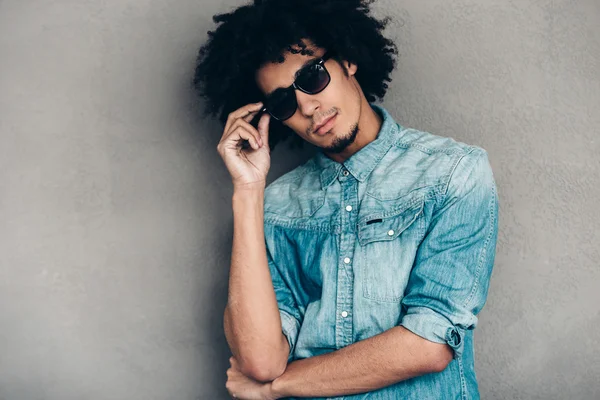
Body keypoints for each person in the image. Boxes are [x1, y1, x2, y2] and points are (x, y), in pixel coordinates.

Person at [192, 1, 499, 399]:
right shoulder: (278, 205)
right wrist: (248, 192)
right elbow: (261, 361)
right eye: (284, 101)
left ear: (348, 60)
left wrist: (276, 388)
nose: (307, 106)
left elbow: (429, 343)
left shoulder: (453, 173)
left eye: (312, 77)